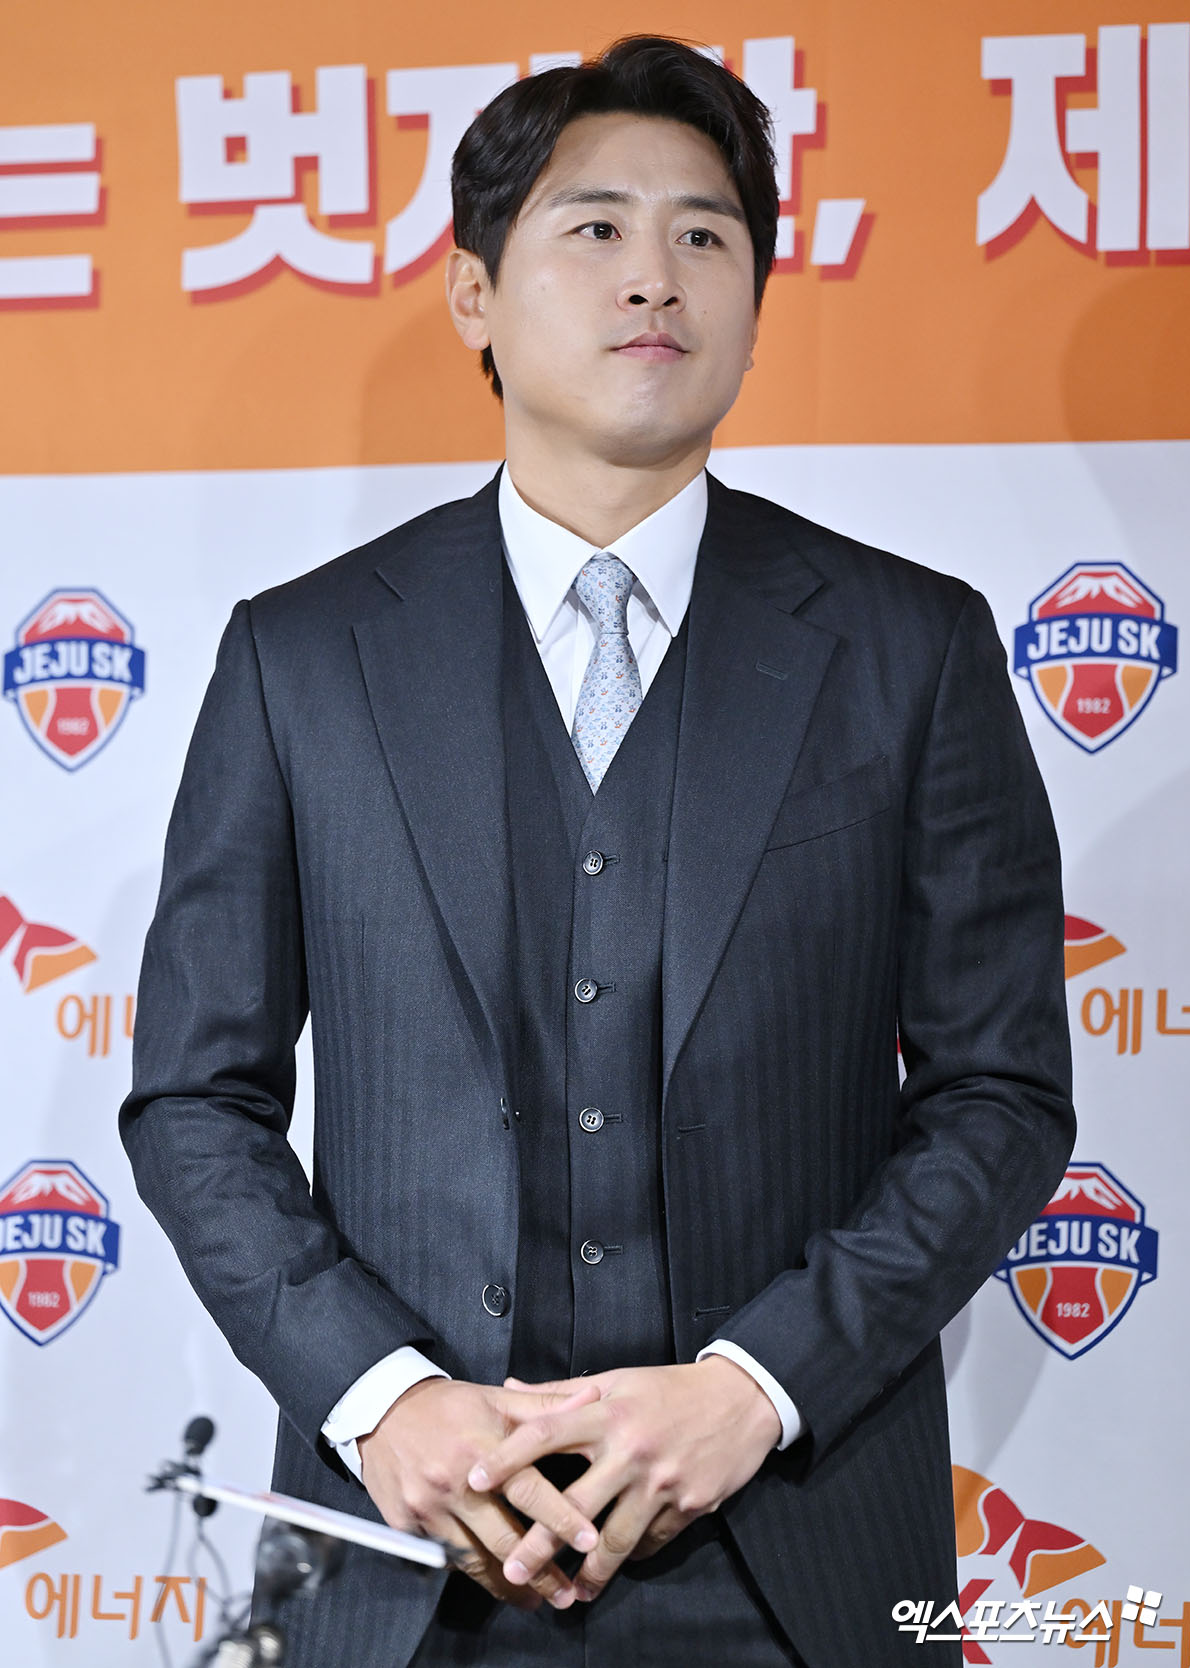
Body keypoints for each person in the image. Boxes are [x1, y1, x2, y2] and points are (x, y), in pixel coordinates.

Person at [120, 35, 1074, 1667]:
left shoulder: (909, 649)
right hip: (409, 1561)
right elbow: (195, 1096)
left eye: (706, 234)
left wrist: (754, 1387)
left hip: (797, 1553)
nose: (655, 277)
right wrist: (384, 1399)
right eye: (596, 229)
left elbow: (1000, 1092)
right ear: (474, 295)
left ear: (756, 299)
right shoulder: (304, 658)